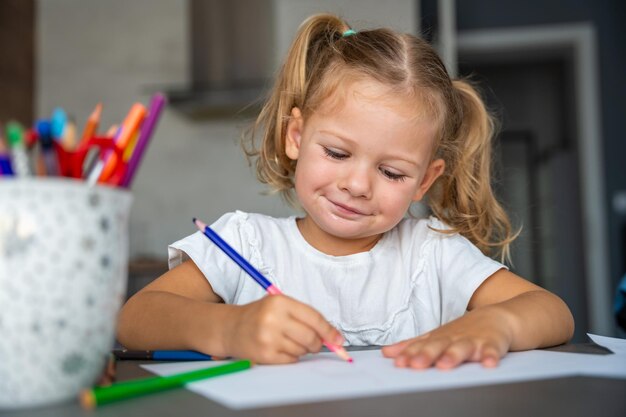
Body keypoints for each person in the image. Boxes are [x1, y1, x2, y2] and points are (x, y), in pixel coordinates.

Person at [117, 13, 574, 369]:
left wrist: (498, 323)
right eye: (337, 153)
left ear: (425, 181)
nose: (356, 185)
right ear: (296, 136)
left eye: (392, 173)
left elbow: (552, 311)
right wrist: (229, 328)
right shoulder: (244, 242)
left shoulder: (431, 251)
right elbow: (136, 318)